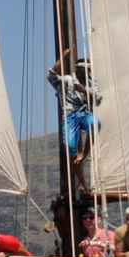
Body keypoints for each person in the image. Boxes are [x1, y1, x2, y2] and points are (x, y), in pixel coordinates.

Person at [48, 49, 101, 195]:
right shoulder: (68, 80)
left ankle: (83, 154)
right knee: (71, 148)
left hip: (84, 114)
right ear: (78, 70)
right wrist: (64, 56)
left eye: (88, 70)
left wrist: (84, 90)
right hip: (70, 116)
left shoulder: (91, 83)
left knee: (95, 123)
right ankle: (82, 182)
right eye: (84, 70)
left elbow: (98, 99)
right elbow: (51, 75)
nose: (87, 73)